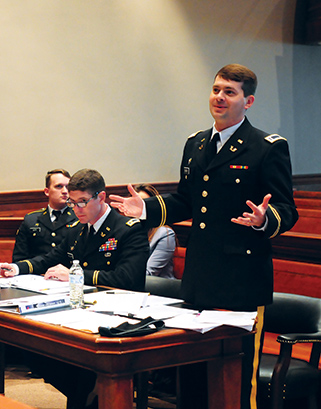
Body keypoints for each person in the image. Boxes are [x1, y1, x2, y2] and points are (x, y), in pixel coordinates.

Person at [109, 64, 298, 409]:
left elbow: (287, 209)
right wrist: (146, 209)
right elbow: (187, 200)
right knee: (193, 374)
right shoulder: (196, 143)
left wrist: (262, 219)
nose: (220, 97)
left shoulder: (267, 147)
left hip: (242, 280)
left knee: (237, 380)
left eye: (230, 91)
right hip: (199, 278)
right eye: (216, 89)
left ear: (248, 100)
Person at [2, 168, 150, 409]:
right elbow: (50, 257)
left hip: (116, 313)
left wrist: (74, 275)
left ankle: (88, 397)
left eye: (83, 202)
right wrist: (16, 268)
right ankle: (89, 395)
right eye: (73, 203)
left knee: (78, 367)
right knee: (33, 345)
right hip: (80, 310)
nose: (76, 209)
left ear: (101, 198)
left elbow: (127, 278)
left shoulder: (128, 229)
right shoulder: (78, 230)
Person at [12, 169, 82, 262]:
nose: (65, 191)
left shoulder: (79, 218)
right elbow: (19, 258)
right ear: (47, 191)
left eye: (68, 187)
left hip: (66, 273)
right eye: (59, 186)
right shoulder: (31, 220)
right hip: (36, 273)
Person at [133, 184, 177, 279]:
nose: (140, 209)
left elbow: (149, 273)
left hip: (158, 289)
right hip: (131, 286)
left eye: (144, 204)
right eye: (136, 204)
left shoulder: (165, 234)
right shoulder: (130, 230)